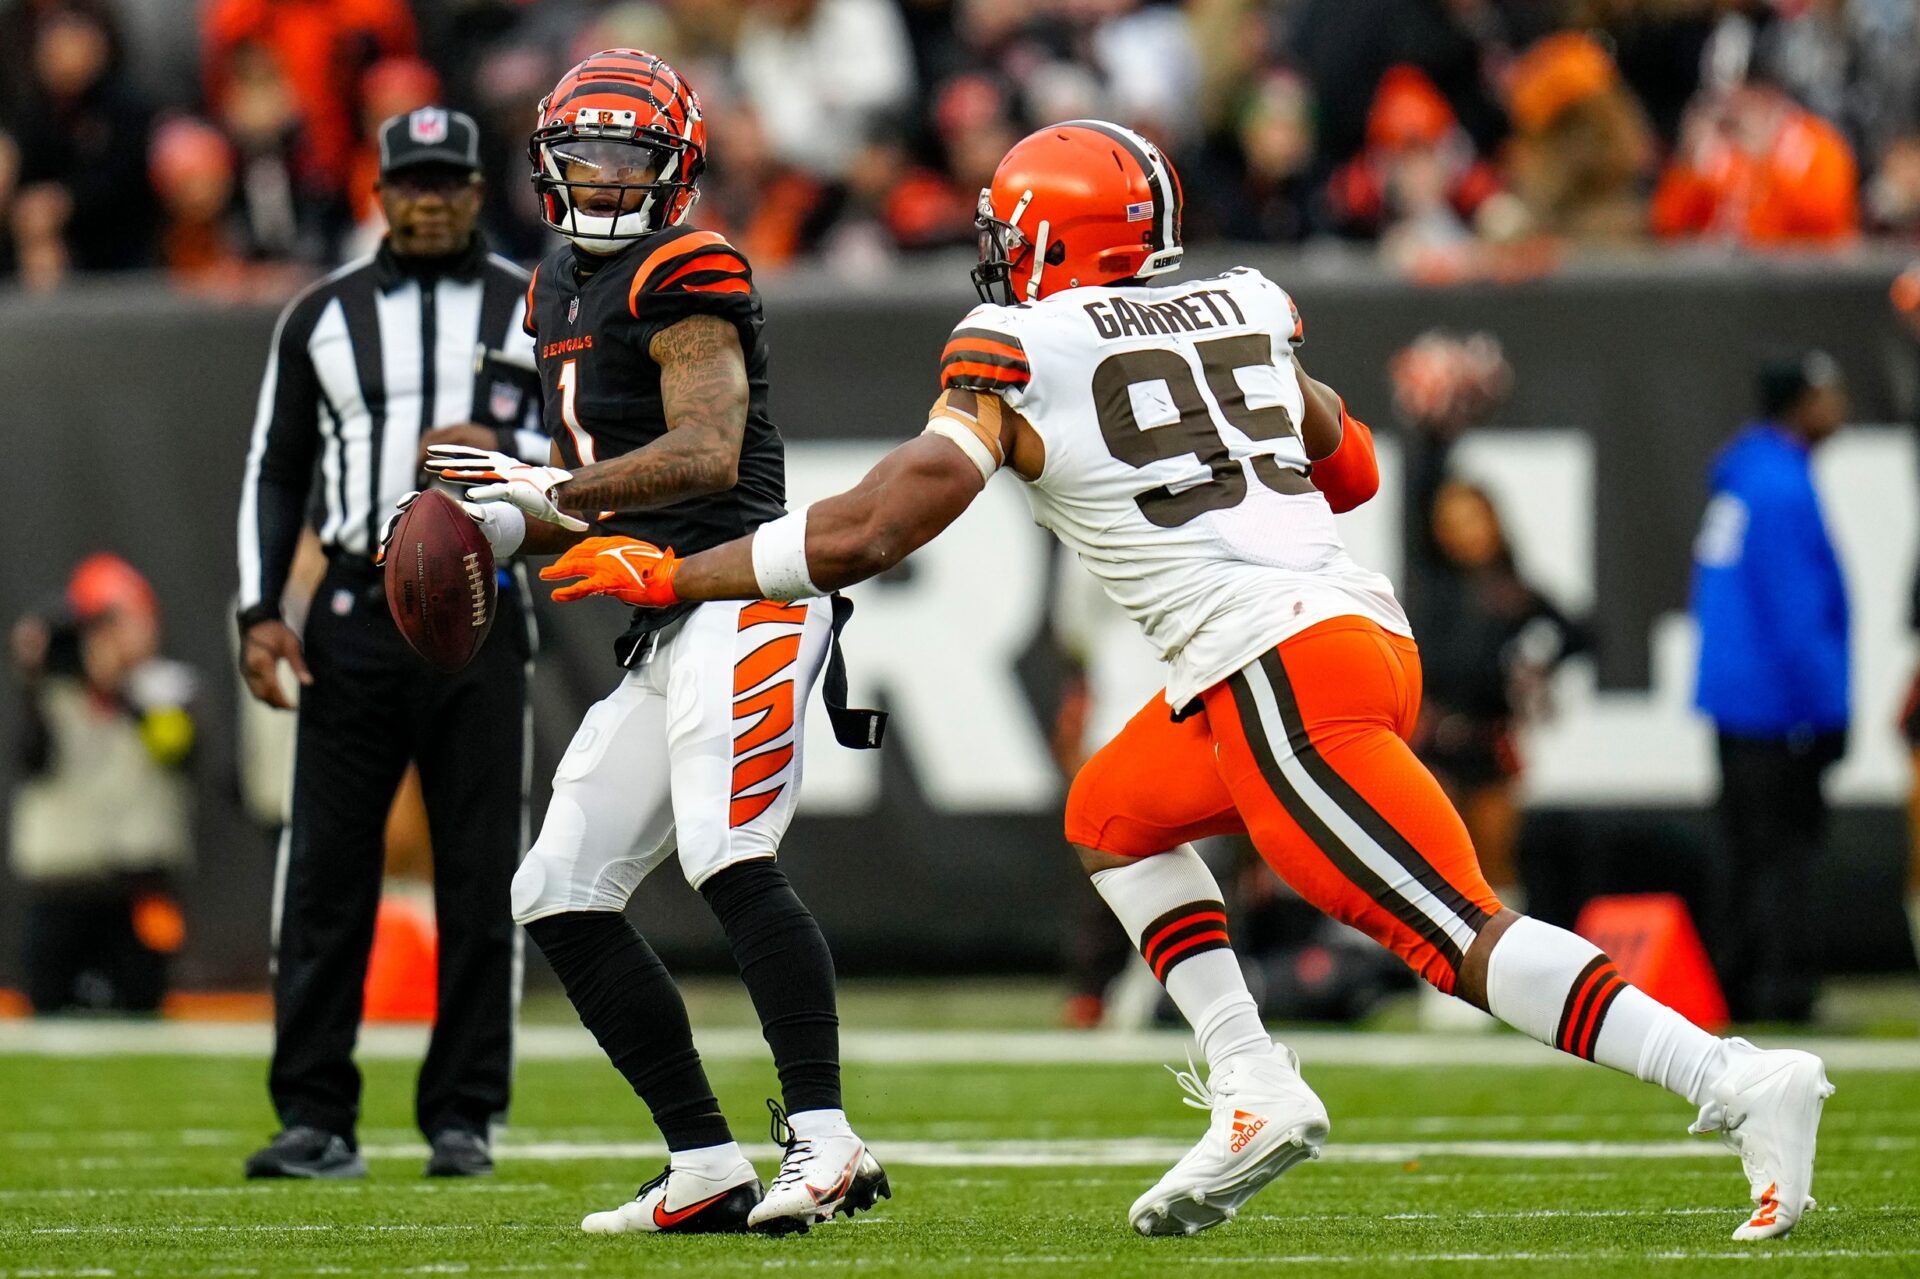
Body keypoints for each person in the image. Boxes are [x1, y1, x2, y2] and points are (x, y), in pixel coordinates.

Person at [538, 119, 1835, 1243]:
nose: (994, 252)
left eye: (1008, 231)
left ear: (1046, 237)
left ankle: (1736, 1077)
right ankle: (1251, 1077)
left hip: (1275, 664)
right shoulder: (1247, 305)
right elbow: (1354, 468)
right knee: (1114, 811)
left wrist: (679, 575)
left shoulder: (1016, 341)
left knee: (1453, 933)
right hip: (1336, 637)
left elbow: (883, 522)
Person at [415, 49, 886, 1237]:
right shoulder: (552, 288)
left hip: (746, 592)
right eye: (588, 155)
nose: (609, 177)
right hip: (664, 617)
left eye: (633, 156)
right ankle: (704, 1158)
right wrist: (483, 519)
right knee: (557, 889)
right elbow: (581, 498)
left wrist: (545, 488)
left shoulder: (687, 269)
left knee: (729, 851)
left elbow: (705, 452)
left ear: (676, 171)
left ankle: (826, 1142)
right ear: (548, 163)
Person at [234, 106, 543, 1181]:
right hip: (357, 616)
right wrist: (258, 606)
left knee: (478, 872)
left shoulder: (532, 305)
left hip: (483, 607)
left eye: (447, 182)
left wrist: (507, 452)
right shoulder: (319, 314)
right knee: (324, 872)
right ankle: (314, 1113)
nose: (427, 199)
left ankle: (463, 1113)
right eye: (408, 182)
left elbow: (584, 453)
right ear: (377, 193)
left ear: (475, 191)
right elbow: (275, 465)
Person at [1690, 351, 1851, 1024]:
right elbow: (1796, 611)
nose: (1837, 407)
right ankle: (1780, 985)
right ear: (1802, 402)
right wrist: (1826, 706)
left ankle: (1742, 979)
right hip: (1777, 703)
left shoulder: (1745, 476)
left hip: (1735, 696)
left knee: (1746, 847)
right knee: (1783, 852)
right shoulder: (1783, 485)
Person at [9, 554, 193, 1014]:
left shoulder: (169, 688)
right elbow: (31, 759)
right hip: (63, 886)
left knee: (140, 1007)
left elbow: (174, 750)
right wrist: (33, 677)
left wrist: (121, 689)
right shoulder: (51, 696)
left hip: (137, 884)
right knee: (47, 1010)